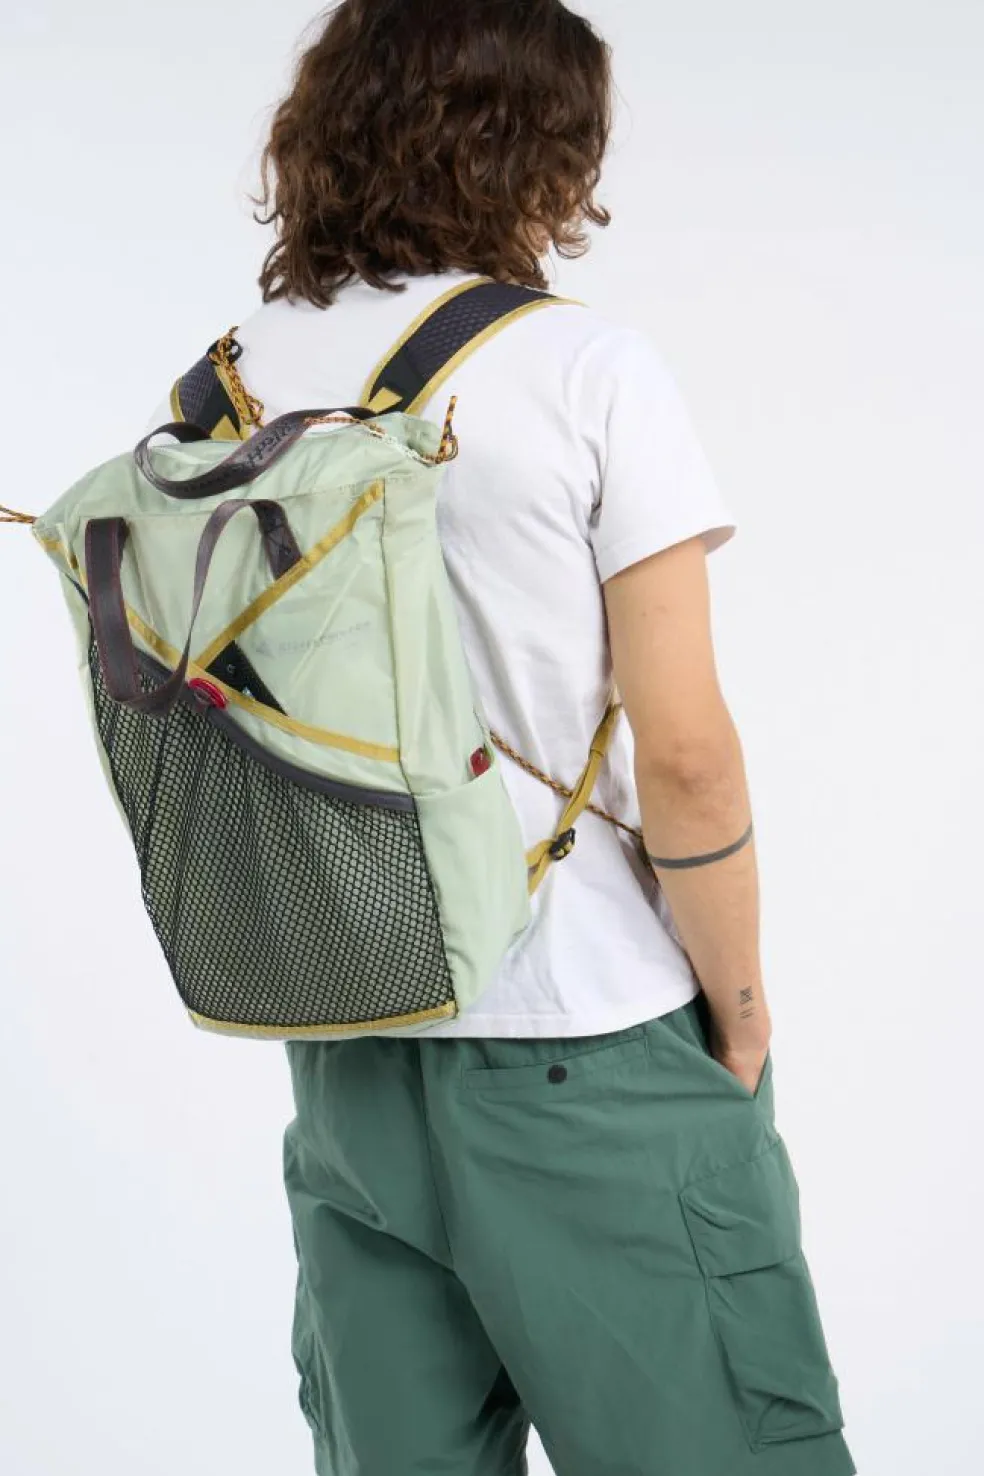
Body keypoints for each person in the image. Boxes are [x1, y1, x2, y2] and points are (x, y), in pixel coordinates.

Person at [152, 3, 855, 1472]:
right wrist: (739, 1008)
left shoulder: (226, 383)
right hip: (586, 1040)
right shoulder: (586, 370)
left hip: (351, 1039)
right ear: (540, 148)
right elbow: (686, 756)